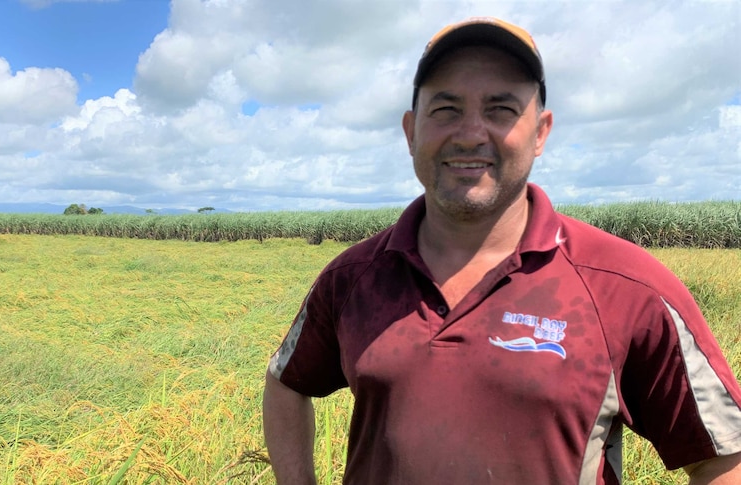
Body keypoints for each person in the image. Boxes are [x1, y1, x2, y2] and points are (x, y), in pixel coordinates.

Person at [262, 16, 741, 485]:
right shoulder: (354, 278)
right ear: (411, 132)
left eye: (501, 109)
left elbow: (725, 456)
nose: (471, 134)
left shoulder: (622, 287)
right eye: (445, 109)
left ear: (540, 133)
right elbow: (286, 382)